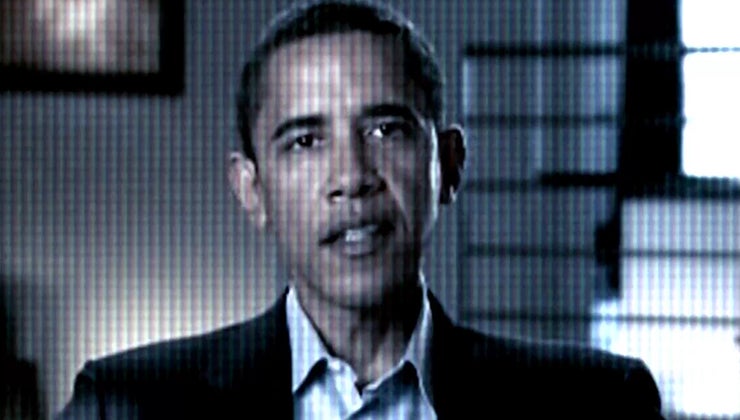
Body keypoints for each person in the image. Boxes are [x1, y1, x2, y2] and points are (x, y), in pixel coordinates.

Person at [57, 1, 664, 418]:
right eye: (305, 141)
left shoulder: (599, 404)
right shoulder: (127, 405)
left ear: (449, 165)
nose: (351, 177)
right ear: (251, 189)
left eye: (385, 130)